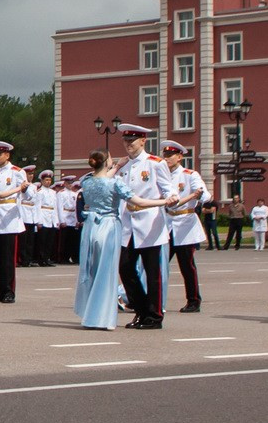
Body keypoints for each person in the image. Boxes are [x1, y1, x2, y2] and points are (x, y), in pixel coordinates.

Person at [115, 125, 167, 330]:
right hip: (128, 223)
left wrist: (171, 198)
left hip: (149, 223)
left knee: (152, 272)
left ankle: (154, 316)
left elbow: (167, 188)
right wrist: (115, 167)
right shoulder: (124, 166)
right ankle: (141, 309)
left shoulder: (155, 163)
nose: (128, 145)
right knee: (125, 268)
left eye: (132, 141)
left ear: (143, 141)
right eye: (126, 141)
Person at [72, 152, 126, 329]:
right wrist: (162, 201)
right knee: (107, 272)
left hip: (91, 227)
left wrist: (115, 167)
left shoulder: (86, 182)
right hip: (108, 225)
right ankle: (102, 317)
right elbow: (135, 199)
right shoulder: (115, 182)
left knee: (92, 270)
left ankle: (91, 313)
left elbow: (101, 181)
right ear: (107, 162)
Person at [165, 142, 208, 314]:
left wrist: (200, 194)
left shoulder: (190, 175)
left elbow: (205, 193)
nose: (167, 159)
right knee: (156, 264)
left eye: (170, 156)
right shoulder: (162, 174)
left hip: (185, 223)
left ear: (180, 157)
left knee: (187, 266)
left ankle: (193, 300)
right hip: (167, 223)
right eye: (165, 156)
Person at [0, 141, 25, 304]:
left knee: (8, 258)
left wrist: (26, 189)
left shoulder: (17, 172)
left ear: (7, 155)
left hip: (9, 216)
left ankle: (9, 291)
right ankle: (0, 289)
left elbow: (25, 194)